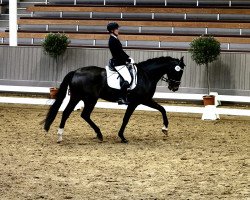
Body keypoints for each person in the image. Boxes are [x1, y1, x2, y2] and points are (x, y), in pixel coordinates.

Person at [107, 22, 134, 105]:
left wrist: (128, 58)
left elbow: (121, 51)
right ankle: (121, 98)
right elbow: (117, 53)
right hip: (118, 63)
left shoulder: (115, 38)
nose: (118, 30)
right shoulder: (112, 40)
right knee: (128, 79)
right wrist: (127, 60)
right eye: (116, 29)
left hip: (120, 62)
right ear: (112, 30)